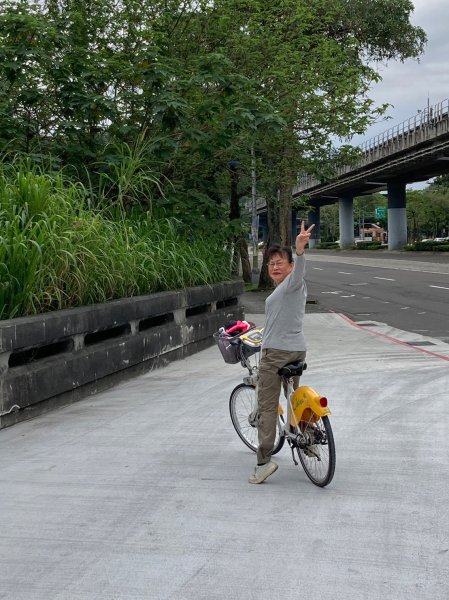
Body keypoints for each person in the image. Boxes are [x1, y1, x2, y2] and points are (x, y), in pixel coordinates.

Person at [248, 220, 315, 484]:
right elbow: (279, 319)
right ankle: (307, 439)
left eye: (280, 262)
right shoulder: (283, 292)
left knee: (266, 407)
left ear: (289, 266)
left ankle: (263, 462)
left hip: (276, 354)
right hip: (296, 350)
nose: (275, 267)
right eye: (271, 263)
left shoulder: (293, 283)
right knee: (294, 399)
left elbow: (300, 272)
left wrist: (299, 249)